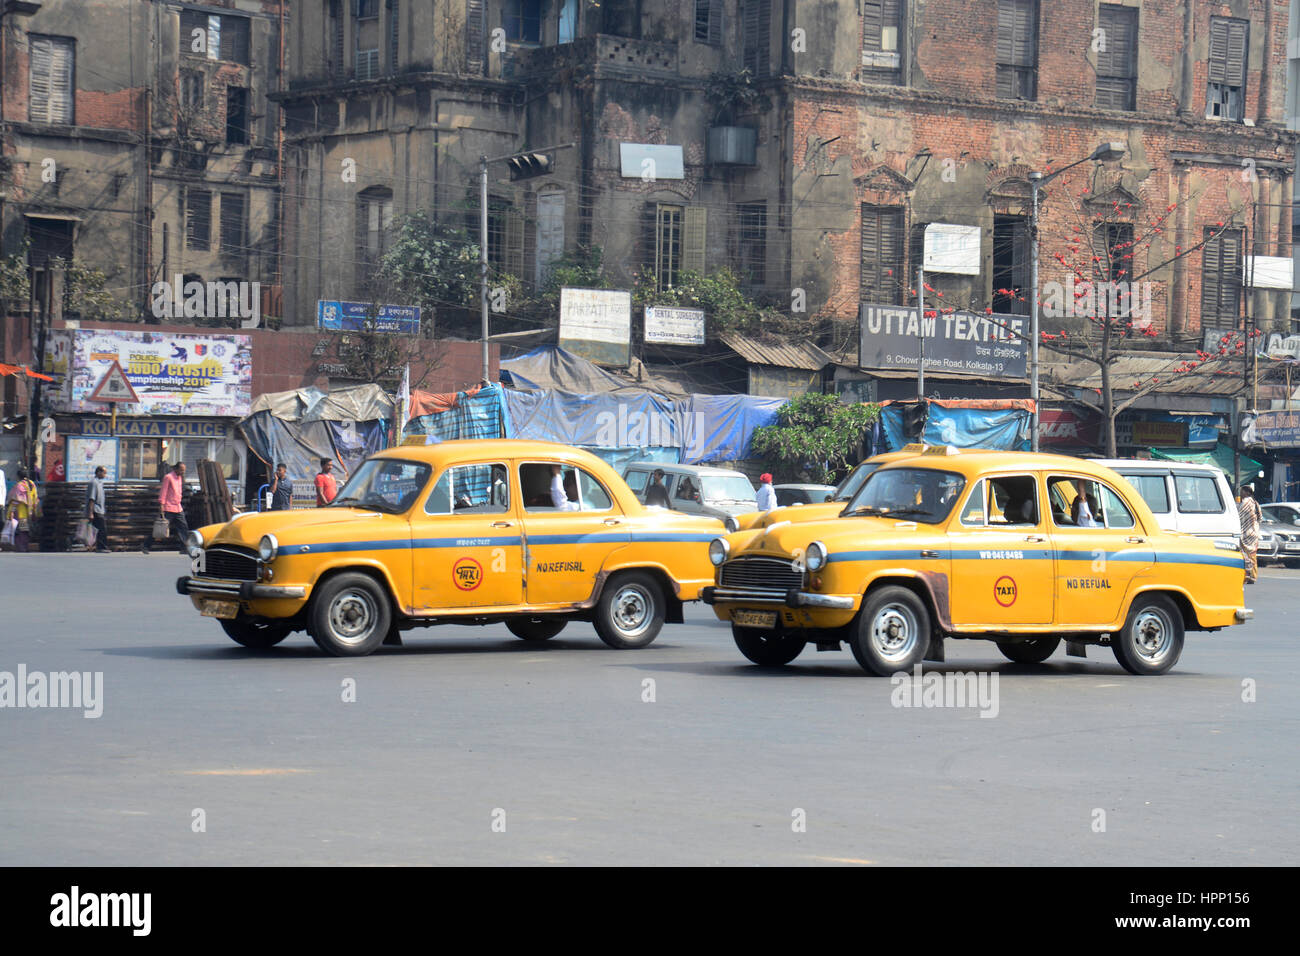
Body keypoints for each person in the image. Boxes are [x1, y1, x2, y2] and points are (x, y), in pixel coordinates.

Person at [149, 461, 189, 554]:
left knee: (183, 527)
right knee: (161, 527)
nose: (183, 472)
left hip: (178, 508)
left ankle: (185, 548)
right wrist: (161, 504)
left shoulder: (179, 478)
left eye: (184, 470)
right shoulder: (168, 477)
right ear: (176, 469)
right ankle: (146, 545)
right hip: (169, 507)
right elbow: (164, 491)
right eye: (181, 470)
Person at [5, 466, 39, 552]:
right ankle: (25, 546)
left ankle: (21, 547)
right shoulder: (32, 484)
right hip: (29, 511)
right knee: (25, 530)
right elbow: (35, 497)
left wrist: (12, 511)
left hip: (20, 512)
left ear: (18, 476)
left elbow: (16, 500)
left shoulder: (19, 485)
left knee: (20, 531)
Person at [1238, 484, 1263, 585]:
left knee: (1244, 555)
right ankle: (1253, 575)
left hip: (1246, 533)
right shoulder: (1255, 503)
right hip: (1254, 532)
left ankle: (1247, 575)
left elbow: (1240, 516)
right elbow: (1260, 518)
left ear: (1247, 492)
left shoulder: (1246, 502)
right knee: (1252, 555)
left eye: (1242, 491)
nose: (1241, 493)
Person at [85, 465, 110, 552]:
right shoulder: (94, 483)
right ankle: (101, 547)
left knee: (95, 529)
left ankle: (73, 540)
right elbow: (92, 499)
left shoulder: (100, 483)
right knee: (102, 529)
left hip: (100, 510)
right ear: (98, 472)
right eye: (104, 472)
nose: (105, 475)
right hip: (96, 510)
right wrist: (90, 513)